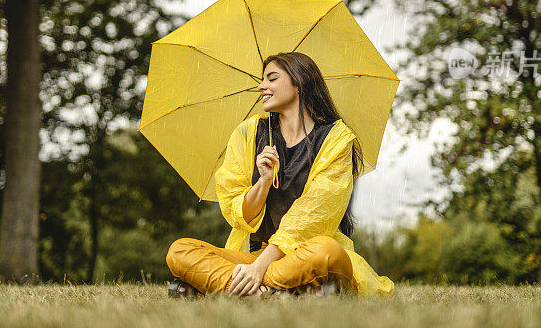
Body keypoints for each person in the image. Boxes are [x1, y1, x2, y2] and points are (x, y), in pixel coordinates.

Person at [165, 52, 394, 297]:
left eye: (272, 79)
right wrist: (262, 182)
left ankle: (240, 287)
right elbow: (238, 214)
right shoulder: (248, 133)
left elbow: (312, 215)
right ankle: (279, 292)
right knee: (180, 251)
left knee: (327, 251)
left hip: (304, 254)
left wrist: (258, 268)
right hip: (255, 255)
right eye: (263, 80)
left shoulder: (335, 139)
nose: (262, 86)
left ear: (298, 83)